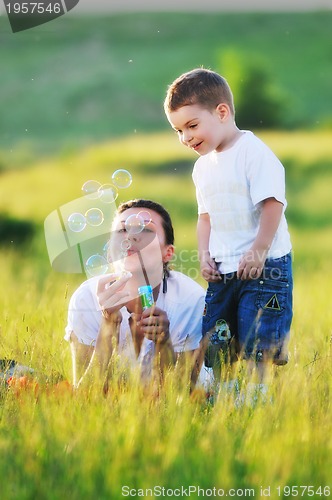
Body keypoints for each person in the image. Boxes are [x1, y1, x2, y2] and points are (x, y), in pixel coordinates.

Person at [164, 68, 293, 395]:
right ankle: (224, 397)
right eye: (178, 130)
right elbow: (205, 217)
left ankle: (255, 398)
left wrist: (259, 249)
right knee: (218, 337)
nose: (186, 138)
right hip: (224, 268)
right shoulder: (202, 167)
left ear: (221, 112)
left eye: (192, 126)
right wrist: (205, 255)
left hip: (264, 266)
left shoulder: (253, 152)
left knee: (256, 336)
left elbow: (272, 204)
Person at [65, 199, 206, 393]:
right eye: (122, 230)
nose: (131, 236)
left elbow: (181, 396)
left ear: (168, 253)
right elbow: (84, 396)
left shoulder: (190, 300)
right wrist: (108, 323)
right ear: (109, 252)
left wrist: (163, 342)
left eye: (146, 230)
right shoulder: (85, 299)